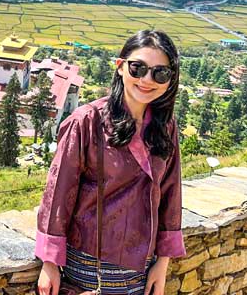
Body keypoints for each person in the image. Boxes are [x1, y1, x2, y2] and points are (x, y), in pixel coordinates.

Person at [35, 30, 186, 295]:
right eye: (138, 68)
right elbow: (58, 193)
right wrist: (49, 262)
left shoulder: (165, 125)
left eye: (159, 73)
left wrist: (163, 262)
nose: (147, 80)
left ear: (170, 79)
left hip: (142, 267)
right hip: (91, 265)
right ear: (120, 67)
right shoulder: (86, 122)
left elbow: (170, 193)